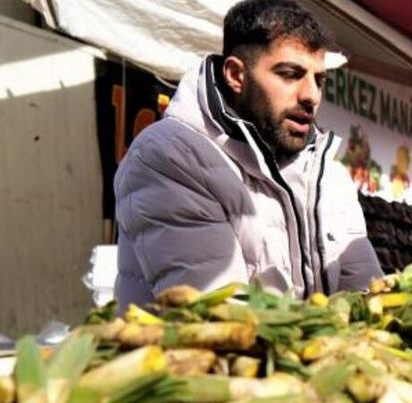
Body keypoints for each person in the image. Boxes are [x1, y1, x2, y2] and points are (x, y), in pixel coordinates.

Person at [114, 0, 383, 307]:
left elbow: (365, 299)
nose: (311, 95)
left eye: (319, 80)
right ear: (236, 75)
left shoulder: (328, 175)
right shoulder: (170, 156)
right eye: (290, 74)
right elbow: (222, 318)